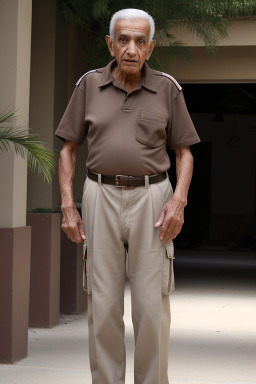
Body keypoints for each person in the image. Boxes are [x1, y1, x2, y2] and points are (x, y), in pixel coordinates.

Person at [55, 8, 200, 384]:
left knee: (151, 308)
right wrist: (69, 206)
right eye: (123, 39)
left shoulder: (167, 88)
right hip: (99, 195)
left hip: (154, 199)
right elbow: (68, 149)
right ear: (110, 43)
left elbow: (184, 154)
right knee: (102, 306)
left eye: (139, 41)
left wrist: (178, 202)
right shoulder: (88, 84)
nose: (131, 48)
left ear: (151, 48)